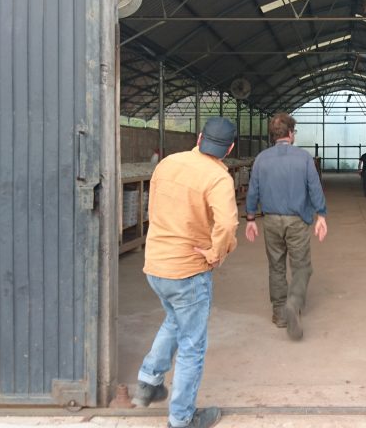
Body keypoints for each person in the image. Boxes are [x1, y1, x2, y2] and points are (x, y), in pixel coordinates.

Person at [132, 117, 238, 428]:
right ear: (229, 148)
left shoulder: (167, 164)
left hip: (156, 265)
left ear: (200, 137)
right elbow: (228, 224)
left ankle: (148, 380)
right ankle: (182, 418)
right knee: (193, 345)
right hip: (187, 271)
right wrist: (217, 253)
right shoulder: (218, 178)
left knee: (174, 320)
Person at [245, 112, 328, 340]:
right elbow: (315, 188)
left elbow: (253, 190)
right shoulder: (303, 158)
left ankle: (280, 314)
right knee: (302, 266)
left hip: (271, 220)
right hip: (297, 220)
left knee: (276, 266)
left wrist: (250, 219)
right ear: (291, 134)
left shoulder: (261, 159)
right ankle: (294, 302)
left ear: (273, 136)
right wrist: (321, 215)